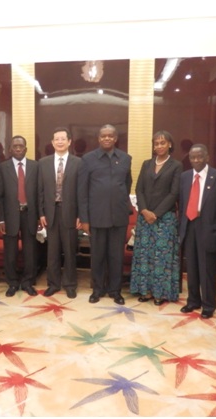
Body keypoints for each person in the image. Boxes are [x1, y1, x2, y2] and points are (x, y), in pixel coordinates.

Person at [78, 124, 132, 305]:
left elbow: (126, 184)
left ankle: (115, 291)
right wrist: (84, 219)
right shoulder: (87, 159)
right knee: (98, 256)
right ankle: (98, 289)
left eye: (110, 136)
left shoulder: (125, 159)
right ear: (99, 138)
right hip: (97, 216)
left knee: (116, 256)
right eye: (103, 136)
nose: (107, 138)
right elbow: (82, 191)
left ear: (115, 138)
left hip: (119, 216)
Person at [130, 130, 182, 305]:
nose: (159, 146)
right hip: (144, 218)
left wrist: (156, 213)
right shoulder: (146, 164)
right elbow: (139, 189)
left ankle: (160, 293)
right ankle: (145, 291)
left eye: (162, 143)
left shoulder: (176, 165)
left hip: (165, 219)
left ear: (170, 144)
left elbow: (174, 193)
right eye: (156, 143)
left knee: (161, 257)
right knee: (144, 255)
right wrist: (144, 210)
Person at [179, 144, 216, 318]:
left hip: (209, 228)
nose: (196, 160)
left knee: (207, 269)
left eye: (200, 157)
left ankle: (208, 305)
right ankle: (193, 301)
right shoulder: (184, 177)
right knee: (191, 267)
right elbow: (182, 203)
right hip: (189, 226)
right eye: (193, 157)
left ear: (207, 157)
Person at [38, 127, 81, 298]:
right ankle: (53, 284)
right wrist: (41, 213)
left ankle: (70, 284)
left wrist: (81, 215)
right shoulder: (43, 163)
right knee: (52, 252)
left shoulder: (78, 163)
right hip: (50, 212)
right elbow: (40, 190)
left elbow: (81, 191)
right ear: (52, 142)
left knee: (70, 251)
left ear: (69, 142)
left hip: (70, 212)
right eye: (57, 139)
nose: (60, 142)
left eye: (63, 139)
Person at [0, 135, 39, 297]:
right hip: (10, 216)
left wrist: (40, 216)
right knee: (10, 252)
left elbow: (39, 193)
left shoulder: (35, 166)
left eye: (21, 146)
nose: (18, 149)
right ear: (10, 149)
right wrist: (1, 218)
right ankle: (13, 283)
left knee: (30, 252)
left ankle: (28, 282)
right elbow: (0, 196)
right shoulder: (3, 167)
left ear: (26, 149)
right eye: (15, 146)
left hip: (30, 214)